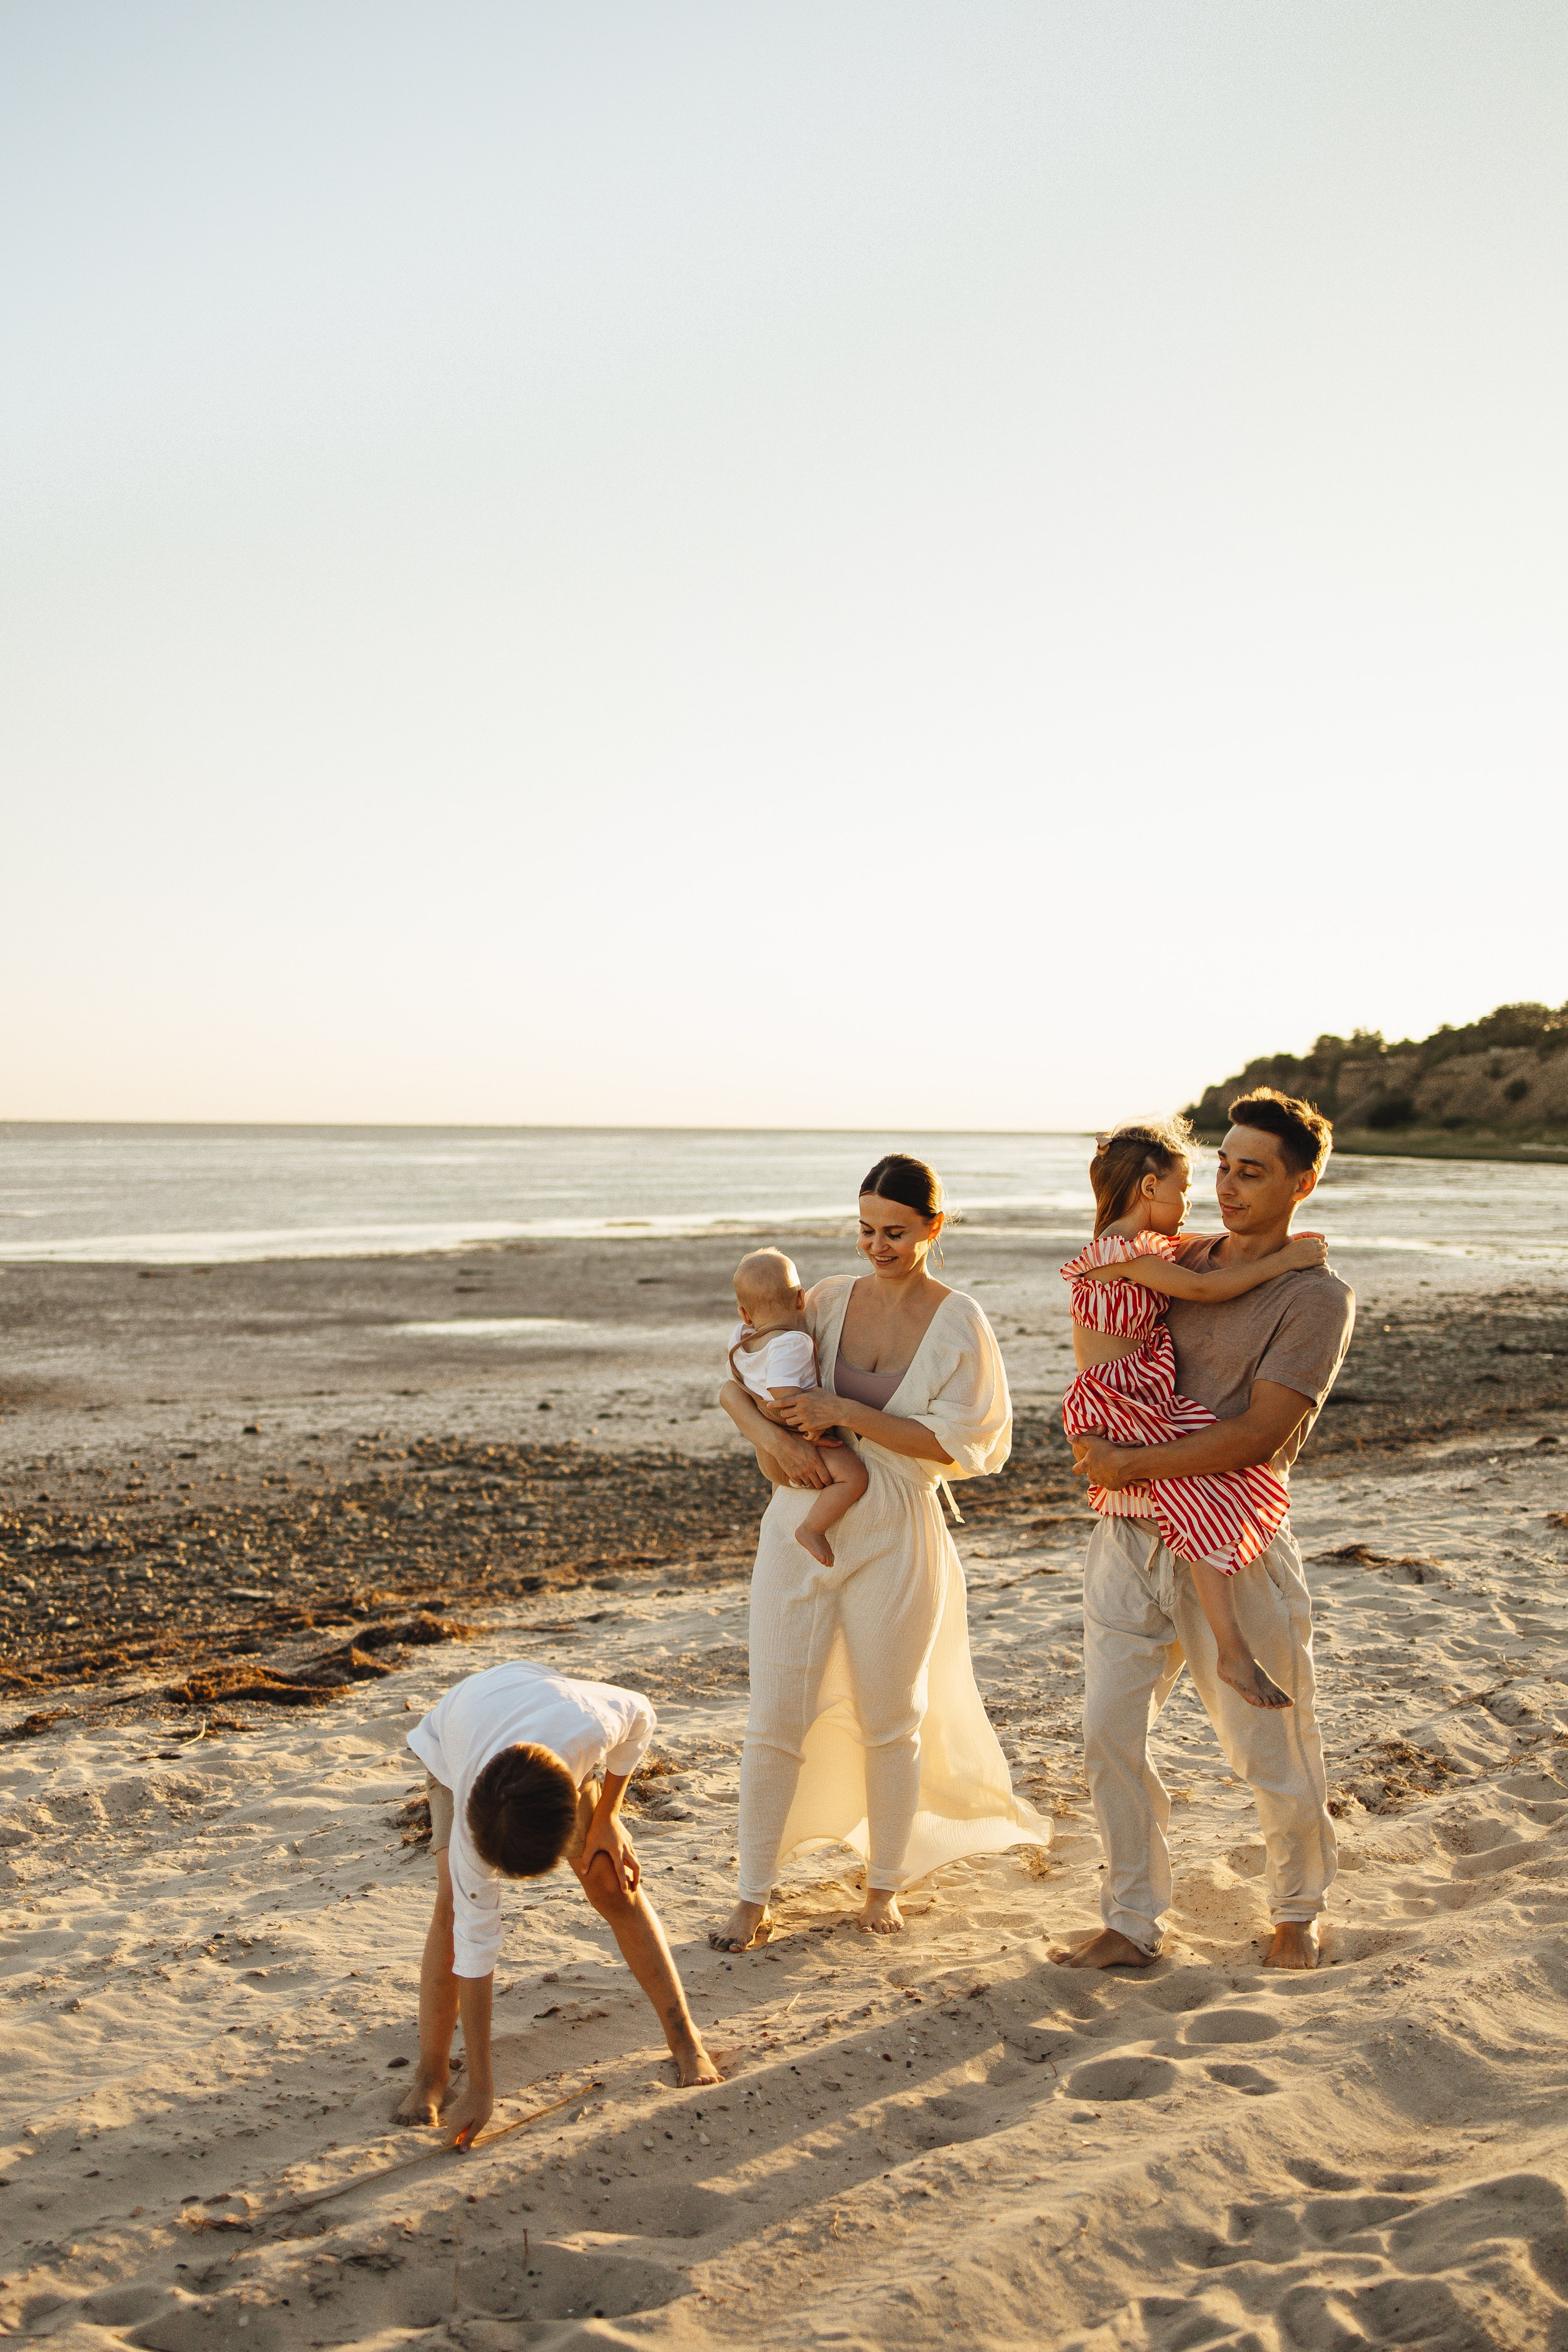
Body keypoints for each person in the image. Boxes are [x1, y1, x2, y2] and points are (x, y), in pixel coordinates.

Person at [710, 1152, 1047, 1953]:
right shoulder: (819, 1302)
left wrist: (840, 1411)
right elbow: (734, 1380)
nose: (877, 1245)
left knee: (893, 1720)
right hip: (800, 1520)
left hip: (899, 1528)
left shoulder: (959, 1318)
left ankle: (884, 1886)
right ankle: (753, 1896)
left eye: (895, 1232)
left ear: (935, 1227)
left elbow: (965, 1446)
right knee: (774, 1719)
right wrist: (766, 1434)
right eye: (865, 1230)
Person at [1054, 1090, 1354, 1976]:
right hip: (1127, 1539)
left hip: (1233, 1541)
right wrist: (1098, 1443)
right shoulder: (1171, 1254)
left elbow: (1262, 1433)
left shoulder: (1314, 1297)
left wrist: (1129, 1464)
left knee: (1269, 1743)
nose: (1225, 1185)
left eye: (1251, 1172)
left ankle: (1297, 1912)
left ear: (1302, 1183)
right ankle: (1131, 1921)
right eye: (1220, 1165)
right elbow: (1105, 1326)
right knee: (1109, 1734)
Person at [1061, 1115, 1329, 1709]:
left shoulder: (1146, 1249)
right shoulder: (1121, 1253)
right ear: (1151, 1188)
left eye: (1246, 1173)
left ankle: (1231, 1647)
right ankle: (1232, 1650)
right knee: (1201, 1493)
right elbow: (1207, 1290)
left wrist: (1277, 1250)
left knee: (1201, 1493)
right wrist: (1282, 1264)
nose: (1197, 1201)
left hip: (1134, 1394)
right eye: (1186, 1187)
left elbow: (1201, 1258)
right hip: (1123, 1397)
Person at [396, 1659, 718, 2147]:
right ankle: (431, 2074)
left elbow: (642, 1719)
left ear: (573, 1792)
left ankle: (685, 2039)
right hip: (454, 1741)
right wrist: (483, 2087)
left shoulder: (587, 1724)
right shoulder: (470, 1826)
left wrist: (608, 1815)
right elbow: (475, 1949)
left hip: (536, 1716)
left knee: (610, 1880)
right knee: (454, 1907)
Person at [728, 1246, 868, 1567]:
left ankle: (785, 1514)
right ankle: (812, 1529)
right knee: (854, 1478)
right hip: (792, 1429)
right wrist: (815, 1428)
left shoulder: (741, 1337)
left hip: (769, 1450)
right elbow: (784, 1392)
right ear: (801, 1299)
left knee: (784, 1491)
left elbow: (743, 1381)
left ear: (745, 1315)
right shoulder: (792, 1341)